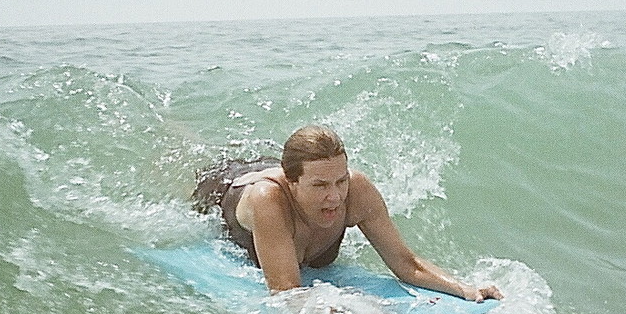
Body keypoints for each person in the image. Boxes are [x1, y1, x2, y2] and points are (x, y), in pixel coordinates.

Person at [193, 125, 503, 303]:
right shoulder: (269, 199)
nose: (335, 196)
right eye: (321, 186)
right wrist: (346, 313)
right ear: (293, 182)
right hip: (223, 186)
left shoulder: (357, 190)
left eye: (340, 180)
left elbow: (407, 265)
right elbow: (286, 293)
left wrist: (464, 288)